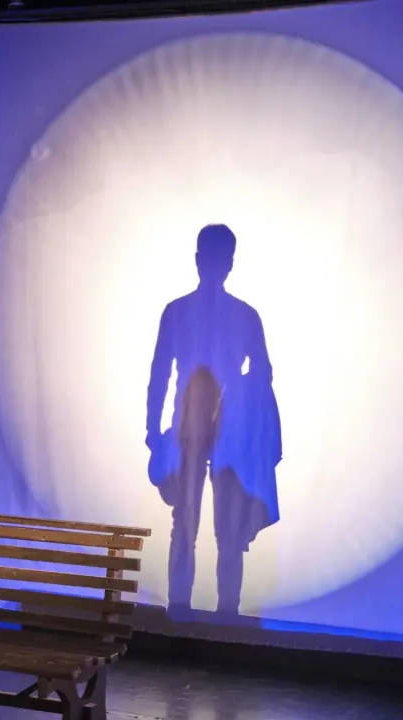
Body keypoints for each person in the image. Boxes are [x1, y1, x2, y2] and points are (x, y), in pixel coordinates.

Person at [145, 224, 282, 616]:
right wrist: (153, 430)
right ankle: (198, 612)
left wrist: (153, 429)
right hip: (200, 430)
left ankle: (212, 615)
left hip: (219, 432)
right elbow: (159, 373)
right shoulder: (216, 314)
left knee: (217, 528)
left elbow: (263, 374)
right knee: (197, 526)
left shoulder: (203, 313)